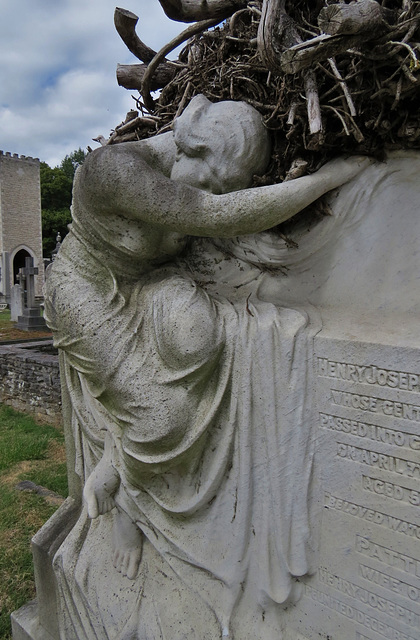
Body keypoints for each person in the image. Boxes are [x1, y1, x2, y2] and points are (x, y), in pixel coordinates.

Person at [45, 94, 371, 639]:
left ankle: (125, 452)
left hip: (145, 284)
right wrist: (328, 178)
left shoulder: (187, 174)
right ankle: (122, 489)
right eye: (214, 180)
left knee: (199, 334)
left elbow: (219, 222)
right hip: (87, 293)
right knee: (163, 418)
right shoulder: (115, 169)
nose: (215, 192)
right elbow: (215, 216)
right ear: (188, 145)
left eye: (227, 185)